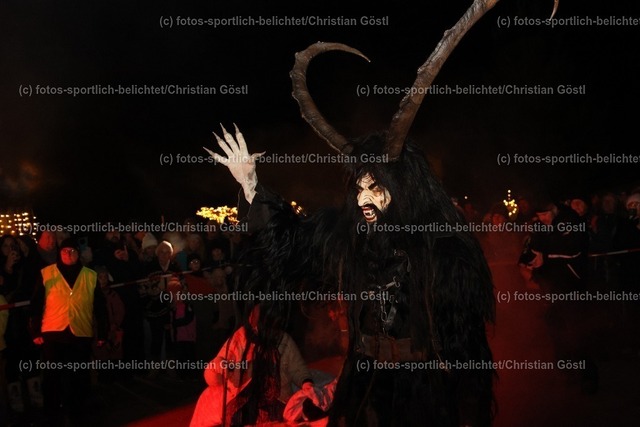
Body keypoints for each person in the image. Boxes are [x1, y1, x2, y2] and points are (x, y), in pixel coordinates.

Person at [206, 123, 496, 426]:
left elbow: (466, 341)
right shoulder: (353, 238)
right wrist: (250, 183)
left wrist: (468, 411)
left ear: (402, 188)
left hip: (422, 388)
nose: (362, 200)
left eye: (374, 188)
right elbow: (294, 243)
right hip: (365, 383)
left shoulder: (442, 249)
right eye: (359, 189)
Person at [190, 304, 321, 426]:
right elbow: (212, 373)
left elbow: (299, 370)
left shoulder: (284, 340)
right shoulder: (240, 338)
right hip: (244, 398)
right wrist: (219, 367)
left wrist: (307, 384)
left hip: (277, 401)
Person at [29, 237, 109, 426]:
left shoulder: (90, 275)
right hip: (53, 332)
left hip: (79, 333)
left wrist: (103, 333)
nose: (68, 254)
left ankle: (77, 413)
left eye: (72, 251)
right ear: (59, 253)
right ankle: (52, 414)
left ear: (78, 254)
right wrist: (35, 331)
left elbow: (100, 307)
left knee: (79, 377)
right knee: (52, 377)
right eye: (65, 251)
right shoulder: (47, 273)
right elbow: (36, 304)